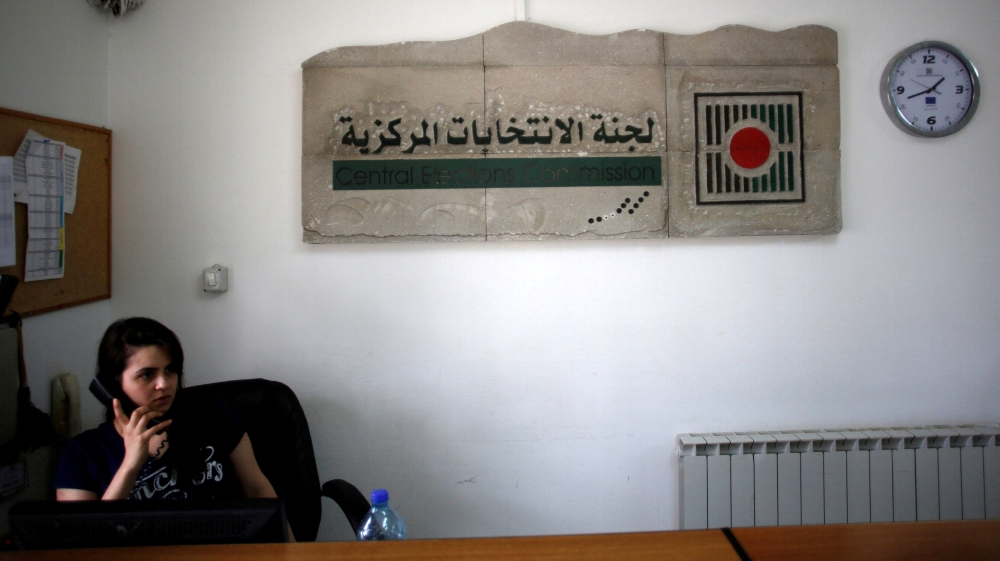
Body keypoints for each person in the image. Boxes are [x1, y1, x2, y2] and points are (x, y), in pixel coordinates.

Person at [54, 317, 280, 505]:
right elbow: (86, 538)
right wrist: (131, 464)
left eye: (170, 370)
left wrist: (291, 545)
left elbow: (258, 491)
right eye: (147, 374)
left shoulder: (212, 415)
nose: (164, 384)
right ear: (112, 385)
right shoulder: (82, 454)